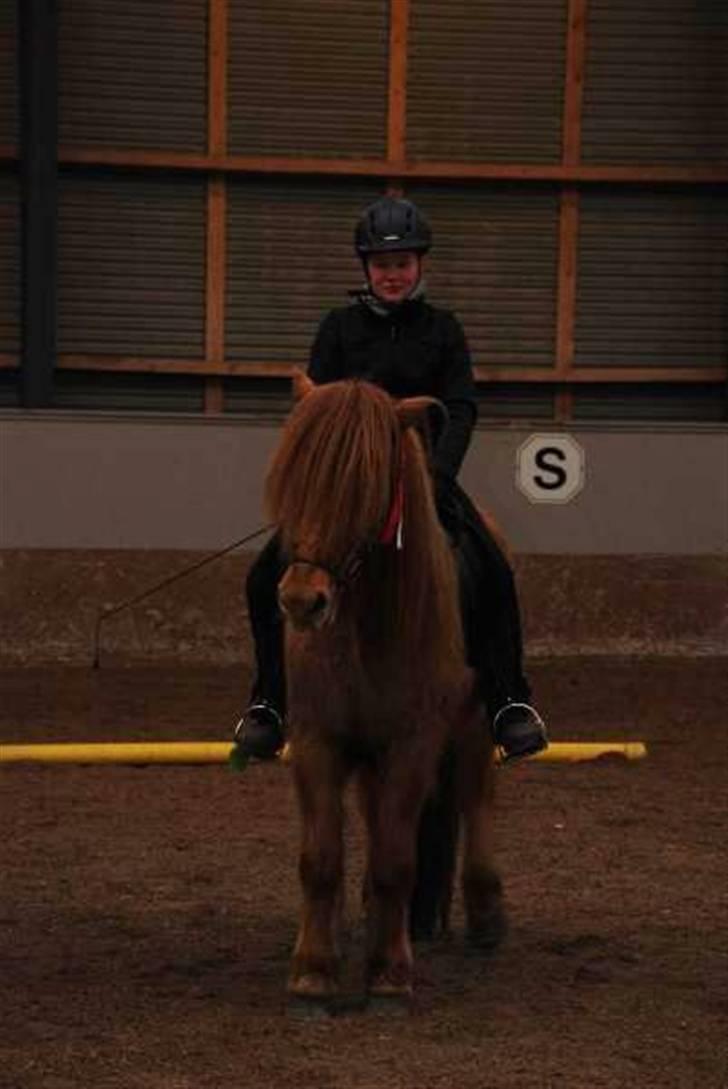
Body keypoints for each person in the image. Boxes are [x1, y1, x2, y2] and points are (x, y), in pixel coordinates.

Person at [234, 195, 548, 763]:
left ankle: (509, 702)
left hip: (425, 480)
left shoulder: (444, 330)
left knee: (492, 569)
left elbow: (461, 406)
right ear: (366, 270)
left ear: (419, 265)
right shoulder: (338, 328)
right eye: (382, 265)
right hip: (350, 489)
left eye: (403, 263)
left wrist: (438, 477)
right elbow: (316, 414)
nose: (393, 274)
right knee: (263, 578)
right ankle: (269, 705)